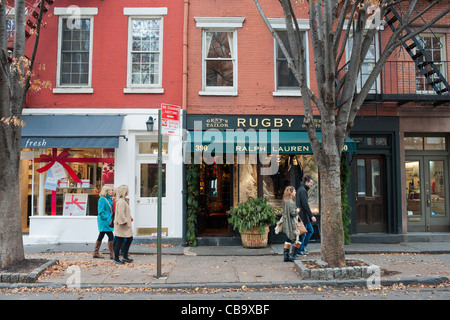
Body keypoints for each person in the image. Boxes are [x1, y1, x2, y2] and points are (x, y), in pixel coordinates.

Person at [296, 175, 316, 256]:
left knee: (307, 231)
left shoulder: (301, 189)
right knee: (305, 233)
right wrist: (311, 216)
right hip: (304, 216)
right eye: (311, 183)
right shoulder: (303, 191)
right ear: (306, 182)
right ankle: (300, 249)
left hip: (303, 216)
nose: (311, 184)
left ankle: (301, 248)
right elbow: (305, 205)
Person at [113, 185, 134, 264]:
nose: (128, 192)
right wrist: (125, 221)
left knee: (127, 239)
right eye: (127, 190)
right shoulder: (121, 202)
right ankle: (117, 258)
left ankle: (124, 256)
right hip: (123, 225)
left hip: (123, 225)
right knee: (120, 241)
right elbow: (121, 214)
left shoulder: (121, 201)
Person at [281, 186, 301, 262]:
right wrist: (297, 210)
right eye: (294, 191)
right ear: (290, 192)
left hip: (287, 223)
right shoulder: (291, 202)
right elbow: (293, 213)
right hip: (292, 223)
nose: (295, 193)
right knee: (300, 237)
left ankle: (286, 256)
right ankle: (293, 255)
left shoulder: (285, 201)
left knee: (288, 238)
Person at [94, 185, 115, 259]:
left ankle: (96, 252)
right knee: (110, 235)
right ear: (106, 191)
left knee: (102, 234)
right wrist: (107, 218)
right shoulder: (102, 199)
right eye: (110, 190)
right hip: (104, 220)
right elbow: (101, 211)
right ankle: (111, 254)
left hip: (107, 220)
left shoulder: (108, 199)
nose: (112, 191)